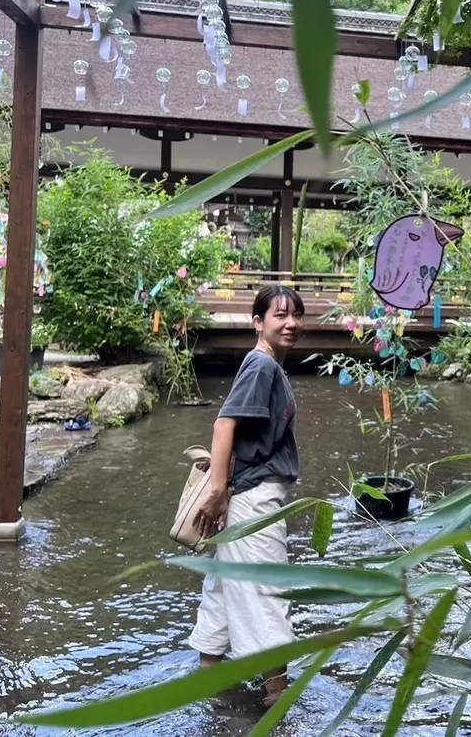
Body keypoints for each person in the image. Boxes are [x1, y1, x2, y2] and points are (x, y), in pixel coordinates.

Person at [187, 284, 305, 707]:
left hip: (250, 494)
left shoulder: (268, 365)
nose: (291, 323)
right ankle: (277, 694)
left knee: (224, 588)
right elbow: (224, 426)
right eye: (280, 315)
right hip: (254, 499)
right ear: (259, 322)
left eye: (296, 315)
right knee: (267, 590)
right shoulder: (262, 366)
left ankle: (209, 679)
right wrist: (219, 491)